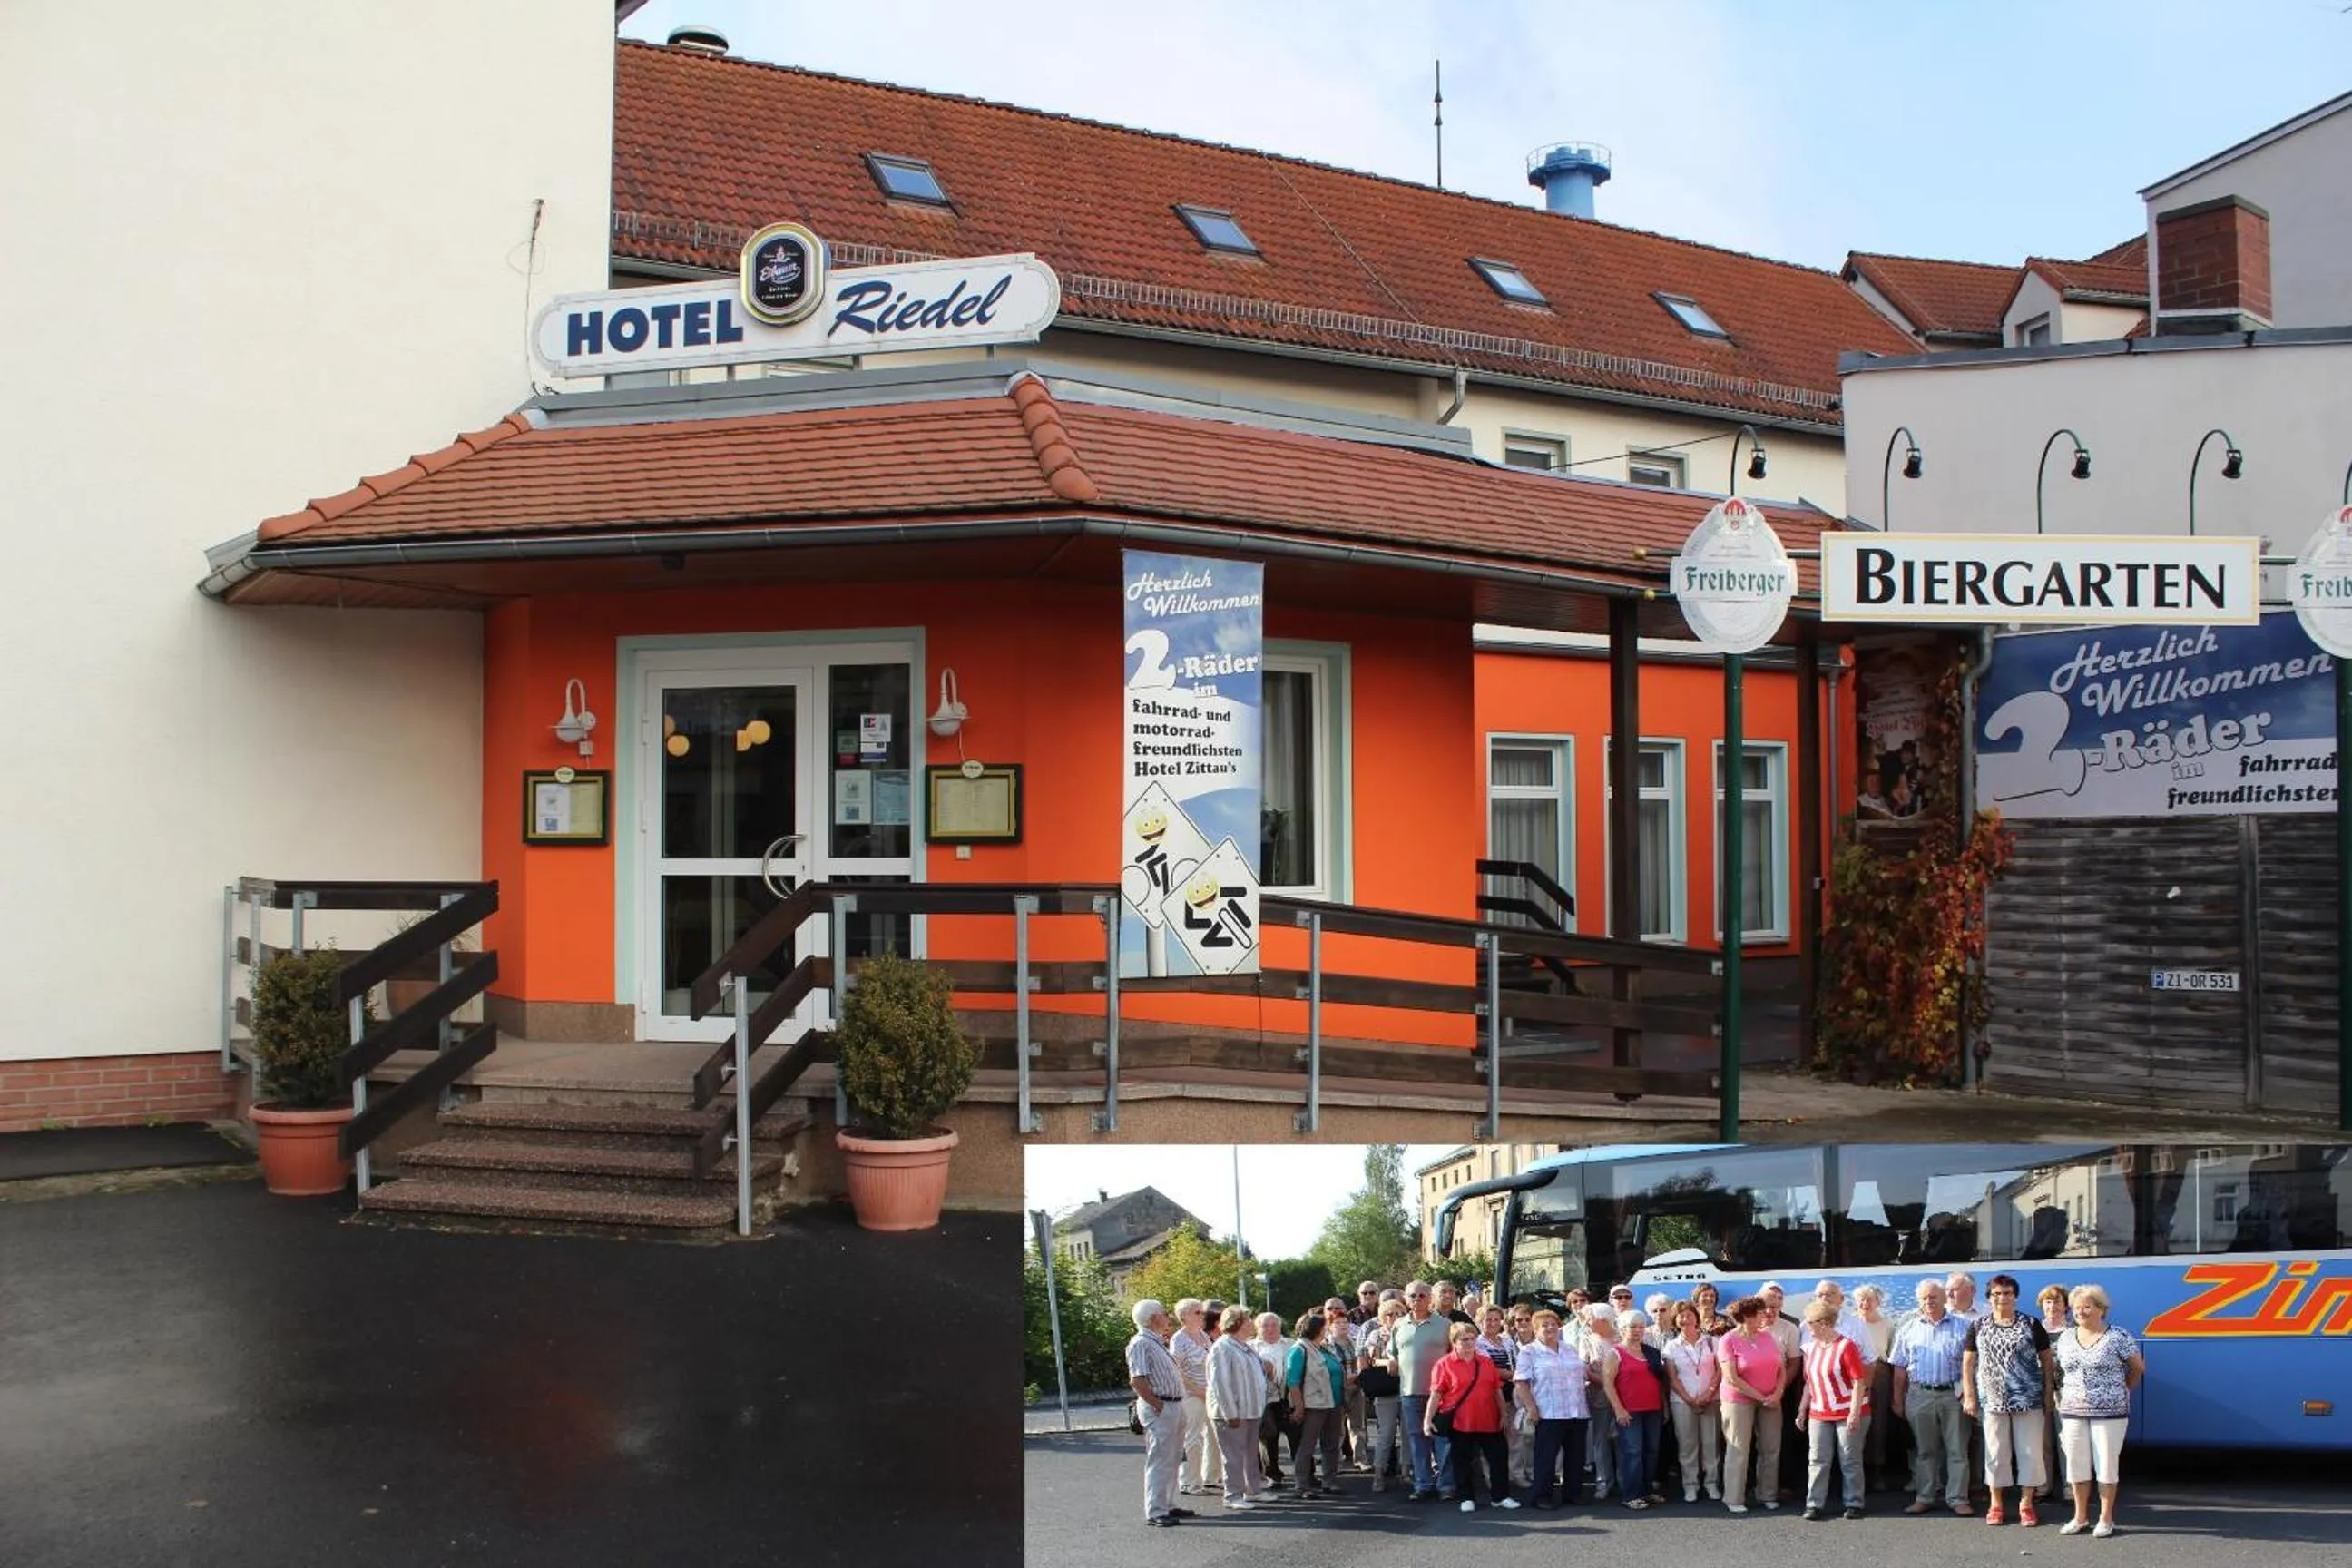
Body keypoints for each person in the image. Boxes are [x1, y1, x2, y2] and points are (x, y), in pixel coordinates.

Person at [1963, 1272, 2055, 1528]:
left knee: (2030, 1451)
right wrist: (1969, 1395)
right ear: (1989, 1297)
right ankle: (1996, 1504)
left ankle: (2026, 1503)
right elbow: (1968, 1363)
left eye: (2007, 1293)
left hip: (2028, 1399)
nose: (2001, 1298)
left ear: (2015, 1296)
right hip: (1992, 1400)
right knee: (1995, 1452)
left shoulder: (2031, 1324)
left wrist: (2048, 1392)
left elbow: (2047, 1361)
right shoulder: (1978, 1325)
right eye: (1996, 1294)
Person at [2053, 1284, 2145, 1539]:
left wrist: (2121, 1391)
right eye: (2076, 1307)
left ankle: (2105, 1518)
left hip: (2110, 1412)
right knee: (2076, 1465)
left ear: (2101, 1309)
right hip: (2072, 1411)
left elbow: (2138, 1368)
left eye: (2087, 1306)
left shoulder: (2118, 1336)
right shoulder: (2066, 1337)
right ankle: (2080, 1517)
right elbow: (2061, 1371)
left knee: (2106, 1464)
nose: (2080, 1312)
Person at [1889, 1278, 1973, 1516]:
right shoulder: (1908, 1329)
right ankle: (1924, 1497)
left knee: (1957, 1450)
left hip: (1953, 1395)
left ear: (1945, 1297)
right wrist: (1897, 1399)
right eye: (1924, 1298)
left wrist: (1970, 1396)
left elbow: (1972, 1365)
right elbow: (1899, 1368)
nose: (1929, 1301)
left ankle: (1958, 1499)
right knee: (1924, 1451)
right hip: (1920, 1395)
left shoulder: (1964, 1327)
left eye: (1933, 1297)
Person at [1426, 1321, 1519, 1514]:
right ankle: (1466, 1497)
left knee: (1499, 1457)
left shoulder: (1485, 1362)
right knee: (1462, 1461)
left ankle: (1500, 1497)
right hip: (1461, 1421)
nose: (1469, 1343)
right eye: (1464, 1339)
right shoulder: (1444, 1364)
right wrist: (1427, 1420)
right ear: (1454, 1342)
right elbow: (1435, 1395)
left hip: (1489, 1419)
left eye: (1472, 1339)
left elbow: (1497, 1391)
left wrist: (1503, 1414)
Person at [1799, 1298, 1870, 1521]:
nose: (1806, 1326)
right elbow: (1809, 1382)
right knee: (1817, 1459)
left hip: (1847, 1409)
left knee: (1849, 1458)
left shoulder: (1846, 1346)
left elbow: (1859, 1381)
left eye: (1810, 1322)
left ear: (1823, 1323)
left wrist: (1854, 1414)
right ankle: (1814, 1504)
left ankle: (1854, 1503)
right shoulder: (1811, 1348)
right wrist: (1802, 1410)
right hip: (1820, 1411)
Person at [1715, 1294, 1785, 1514]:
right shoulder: (1728, 1340)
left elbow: (1781, 1369)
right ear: (1746, 1316)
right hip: (1738, 1401)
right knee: (1738, 1448)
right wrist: (1761, 1397)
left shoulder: (1767, 1337)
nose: (1766, 1315)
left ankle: (1767, 1494)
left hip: (1771, 1400)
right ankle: (1733, 1498)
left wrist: (1778, 1393)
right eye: (1760, 1312)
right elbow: (1731, 1378)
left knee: (1771, 1448)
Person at [1515, 1308, 1591, 1508]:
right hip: (1549, 1412)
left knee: (1576, 1455)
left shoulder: (1569, 1348)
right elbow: (1521, 1382)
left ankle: (1573, 1493)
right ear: (1535, 1329)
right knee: (1546, 1456)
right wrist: (1531, 1408)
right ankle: (1541, 1496)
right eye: (1544, 1325)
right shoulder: (1529, 1351)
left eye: (1553, 1324)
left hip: (1577, 1409)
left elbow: (1585, 1373)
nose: (1550, 1328)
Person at [1126, 1300, 1191, 1528]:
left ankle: (1167, 1504)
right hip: (1161, 1406)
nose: (1167, 1317)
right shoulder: (1141, 1343)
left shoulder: (1156, 1341)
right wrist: (1156, 1404)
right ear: (1153, 1318)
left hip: (1173, 1404)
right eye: (1163, 1313)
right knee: (1160, 1459)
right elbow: (1137, 1379)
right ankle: (1156, 1510)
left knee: (1173, 1457)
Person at [1206, 1304, 1274, 1511]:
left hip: (1251, 1410)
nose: (1252, 1323)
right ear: (1238, 1323)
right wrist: (1230, 1413)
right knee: (1233, 1456)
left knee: (1250, 1453)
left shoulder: (1245, 1346)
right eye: (1248, 1320)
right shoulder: (1222, 1347)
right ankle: (1232, 1495)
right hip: (1233, 1412)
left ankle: (1253, 1489)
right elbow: (1220, 1383)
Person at [1393, 1280, 1455, 1501]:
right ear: (1406, 1298)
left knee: (1443, 1440)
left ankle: (1446, 1486)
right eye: (1412, 1295)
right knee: (1417, 1440)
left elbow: (1454, 1355)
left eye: (1422, 1295)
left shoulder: (1445, 1324)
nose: (1417, 1299)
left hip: (1440, 1393)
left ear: (1430, 1298)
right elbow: (1392, 1353)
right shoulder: (1399, 1325)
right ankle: (1423, 1484)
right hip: (1409, 1392)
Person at [1599, 1308, 1667, 1509]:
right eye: (1632, 1327)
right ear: (1622, 1329)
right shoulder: (1615, 1353)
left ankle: (1646, 1491)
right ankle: (1631, 1495)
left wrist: (1664, 1407)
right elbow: (1608, 1383)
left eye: (1641, 1327)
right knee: (1633, 1452)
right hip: (1630, 1411)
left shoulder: (1651, 1352)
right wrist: (1619, 1409)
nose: (1638, 1330)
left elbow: (1659, 1381)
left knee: (1651, 1451)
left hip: (1653, 1409)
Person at [1663, 1299, 1722, 1503]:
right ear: (1675, 1320)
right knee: (1687, 1445)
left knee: (1711, 1443)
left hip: (1711, 1400)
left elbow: (1720, 1370)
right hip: (1682, 1402)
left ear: (1696, 1317)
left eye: (1689, 1314)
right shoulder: (1671, 1346)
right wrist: (1689, 1400)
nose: (1685, 1319)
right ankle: (1690, 1485)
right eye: (1680, 1316)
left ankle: (1711, 1483)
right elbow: (1672, 1378)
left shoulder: (1712, 1342)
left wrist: (1708, 1394)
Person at [1285, 1311, 1347, 1499]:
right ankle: (1301, 1485)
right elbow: (1293, 1381)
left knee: (1331, 1445)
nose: (1327, 1329)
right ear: (1317, 1329)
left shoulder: (1324, 1348)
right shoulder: (1299, 1349)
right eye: (1324, 1327)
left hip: (1333, 1403)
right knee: (1307, 1446)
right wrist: (1299, 1407)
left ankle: (1329, 1481)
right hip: (1312, 1405)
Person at [1851, 1283, 1900, 1493]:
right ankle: (1855, 1471)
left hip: (1880, 1372)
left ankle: (1876, 1470)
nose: (1865, 1303)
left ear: (1878, 1302)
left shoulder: (1887, 1324)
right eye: (1861, 1299)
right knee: (1854, 1419)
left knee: (1878, 1422)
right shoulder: (1850, 1323)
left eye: (1870, 1299)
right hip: (1854, 1373)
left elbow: (1892, 1353)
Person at [1169, 1299, 1220, 1499]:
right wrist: (1196, 1389)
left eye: (1202, 1312)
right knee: (1193, 1438)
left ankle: (1211, 1476)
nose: (1202, 1316)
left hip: (1209, 1394)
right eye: (1197, 1312)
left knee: (1214, 1435)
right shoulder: (1179, 1339)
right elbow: (1176, 1370)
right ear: (1184, 1316)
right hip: (1191, 1395)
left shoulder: (1204, 1336)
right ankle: (1191, 1481)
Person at [1760, 1281, 1806, 1502]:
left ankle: (1786, 1483)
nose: (1771, 1310)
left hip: (1782, 1390)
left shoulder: (1790, 1327)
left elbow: (1795, 1362)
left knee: (1785, 1438)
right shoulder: (1747, 1324)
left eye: (1776, 1306)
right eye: (1767, 1305)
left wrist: (1779, 1390)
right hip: (1751, 1392)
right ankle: (1756, 1484)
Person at [1358, 1297, 1407, 1491]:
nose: (1394, 1317)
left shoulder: (1409, 1332)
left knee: (1408, 1433)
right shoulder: (1376, 1334)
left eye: (1399, 1313)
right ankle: (1378, 1474)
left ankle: (1406, 1472)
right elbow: (1372, 1359)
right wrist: (1388, 1361)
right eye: (1389, 1314)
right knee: (1386, 1433)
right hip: (1386, 1388)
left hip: (1408, 1386)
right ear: (1381, 1317)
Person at [1475, 1305, 1525, 1494]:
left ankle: (1516, 1474)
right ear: (1480, 1322)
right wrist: (1514, 1375)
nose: (1493, 1323)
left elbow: (1518, 1362)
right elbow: (1489, 1369)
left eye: (1496, 1320)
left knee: (1515, 1437)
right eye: (1488, 1320)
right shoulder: (1478, 1343)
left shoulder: (1507, 1341)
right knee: (1491, 1439)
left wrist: (1515, 1375)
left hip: (1512, 1394)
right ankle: (1492, 1477)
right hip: (1490, 1395)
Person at [1580, 1304, 1622, 1501]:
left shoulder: (1621, 1337)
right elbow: (1585, 1369)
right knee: (1600, 1439)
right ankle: (1603, 1482)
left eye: (1590, 1318)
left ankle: (1624, 1480)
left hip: (1624, 1395)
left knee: (1624, 1439)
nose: (1587, 1322)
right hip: (1599, 1395)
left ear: (1603, 1319)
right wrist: (1607, 1385)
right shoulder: (1587, 1339)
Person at [1250, 1311, 1297, 1490]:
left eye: (1274, 1325)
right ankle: (1273, 1474)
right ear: (1257, 1328)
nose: (1270, 1329)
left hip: (1289, 1397)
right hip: (1264, 1399)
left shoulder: (1291, 1344)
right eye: (1265, 1326)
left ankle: (1305, 1473)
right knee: (1268, 1436)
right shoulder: (1250, 1347)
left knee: (1297, 1434)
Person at [2035, 1283, 2071, 1504]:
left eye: (2057, 1301)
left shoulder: (2074, 1330)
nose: (2052, 1306)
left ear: (2066, 1305)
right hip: (2039, 1391)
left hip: (2067, 1392)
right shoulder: (2034, 1330)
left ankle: (2070, 1487)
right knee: (2042, 1441)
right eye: (2048, 1301)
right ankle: (2043, 1486)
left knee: (2067, 1441)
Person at [1321, 1297, 1365, 1470]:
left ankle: (1360, 1459)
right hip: (1337, 1389)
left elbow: (1361, 1362)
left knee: (1358, 1426)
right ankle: (1336, 1462)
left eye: (1345, 1322)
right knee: (1337, 1428)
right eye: (1338, 1323)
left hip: (1356, 1387)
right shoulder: (1326, 1345)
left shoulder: (1354, 1342)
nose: (1342, 1326)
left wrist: (1357, 1374)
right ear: (1330, 1326)